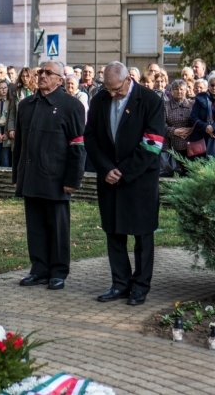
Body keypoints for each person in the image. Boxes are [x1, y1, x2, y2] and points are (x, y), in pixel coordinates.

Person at [85, 62, 166, 306]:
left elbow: (153, 142)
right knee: (114, 232)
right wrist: (106, 168)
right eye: (107, 89)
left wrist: (124, 171)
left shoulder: (150, 100)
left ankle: (140, 286)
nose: (111, 94)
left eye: (116, 89)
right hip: (109, 178)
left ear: (128, 81)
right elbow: (90, 137)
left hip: (139, 178)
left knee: (143, 235)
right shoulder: (99, 100)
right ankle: (120, 283)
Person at [12, 61, 86, 291]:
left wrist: (72, 180)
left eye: (48, 73)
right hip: (31, 176)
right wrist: (18, 174)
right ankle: (39, 269)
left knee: (57, 228)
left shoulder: (71, 106)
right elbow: (20, 145)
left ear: (60, 79)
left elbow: (78, 146)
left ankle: (58, 271)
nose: (42, 75)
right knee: (35, 226)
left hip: (56, 178)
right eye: (40, 72)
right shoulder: (26, 105)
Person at [164, 80, 194, 157]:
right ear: (171, 91)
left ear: (186, 90)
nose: (179, 91)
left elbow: (198, 120)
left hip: (192, 143)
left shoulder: (193, 104)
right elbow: (161, 123)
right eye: (176, 89)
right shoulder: (165, 105)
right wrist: (173, 131)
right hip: (172, 144)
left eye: (181, 89)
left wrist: (192, 129)